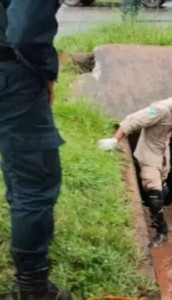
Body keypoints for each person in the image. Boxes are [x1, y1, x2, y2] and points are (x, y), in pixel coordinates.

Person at [0, 1, 71, 299]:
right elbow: (26, 33)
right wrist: (45, 70)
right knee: (35, 179)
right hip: (12, 74)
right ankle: (32, 288)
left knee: (19, 168)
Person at [98, 88, 172, 247]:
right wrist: (116, 140)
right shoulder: (160, 110)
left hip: (163, 157)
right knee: (155, 197)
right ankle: (162, 231)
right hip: (149, 157)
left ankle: (155, 211)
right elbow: (133, 120)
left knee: (163, 191)